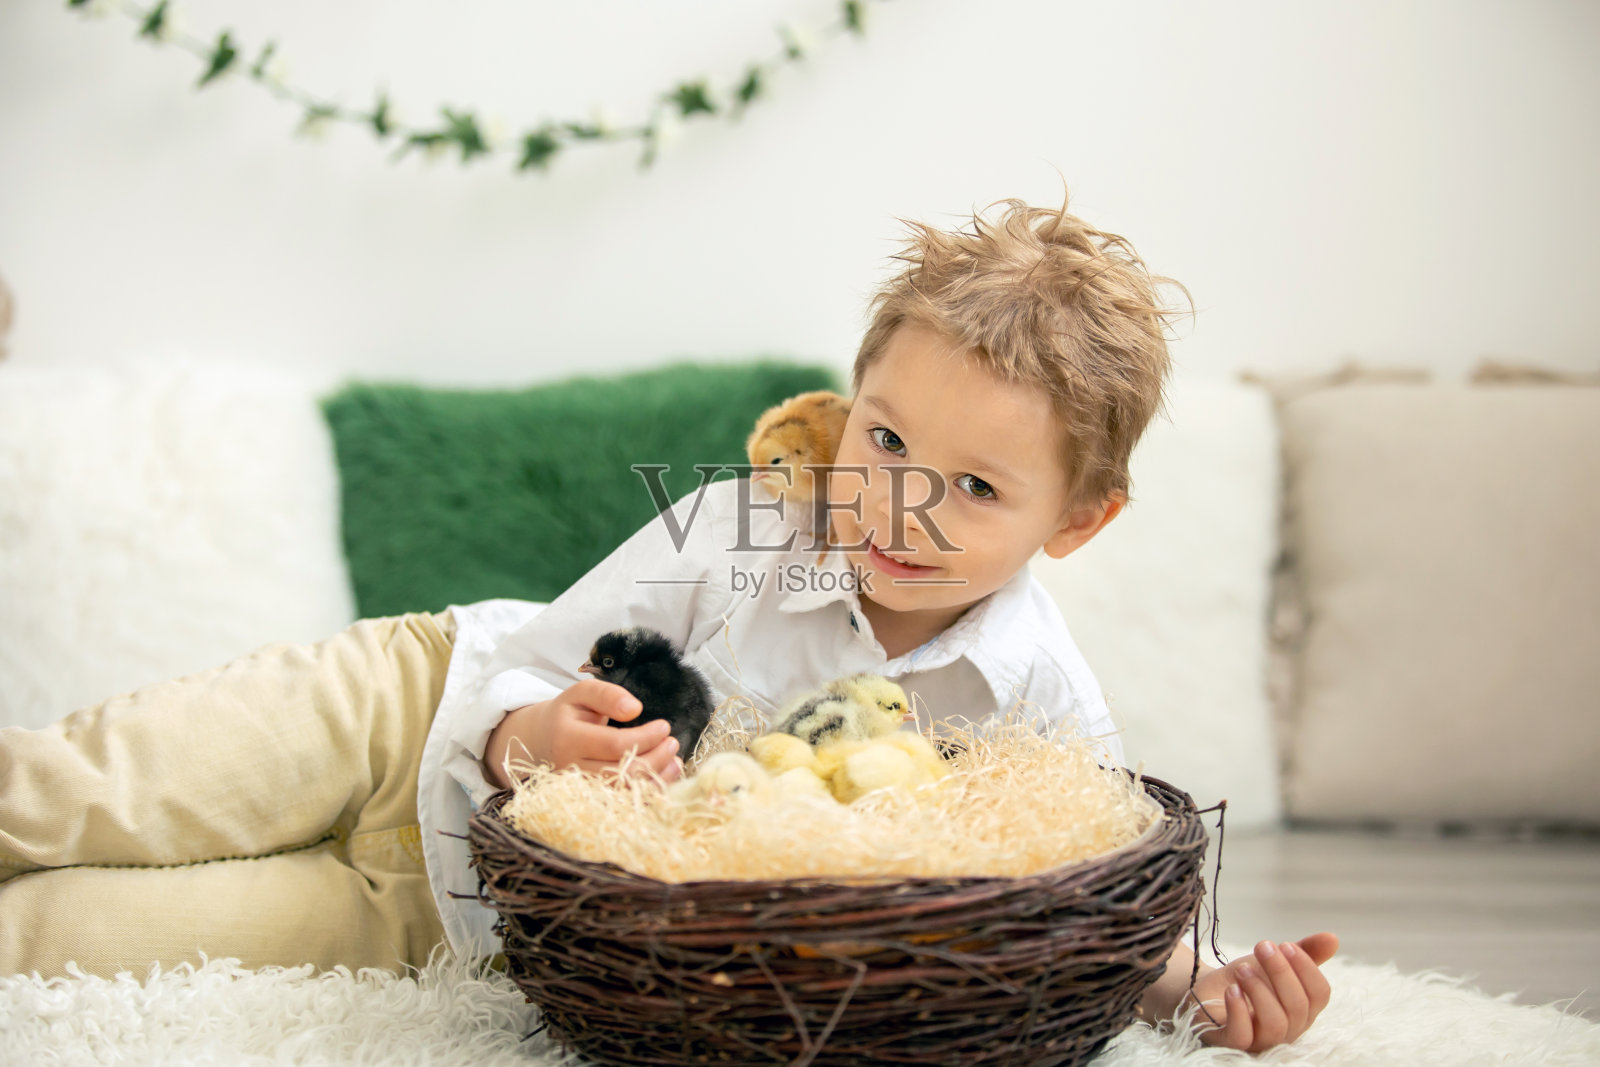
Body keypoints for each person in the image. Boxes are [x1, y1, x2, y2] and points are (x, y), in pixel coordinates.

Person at [0, 190, 1333, 1053]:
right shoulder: (751, 525)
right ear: (850, 401)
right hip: (399, 711)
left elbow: (1071, 900)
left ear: (1076, 522)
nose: (897, 503)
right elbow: (540, 659)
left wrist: (1204, 985)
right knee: (80, 792)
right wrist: (532, 735)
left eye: (975, 487)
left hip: (441, 908)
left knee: (71, 941)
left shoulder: (1030, 705)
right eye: (884, 437)